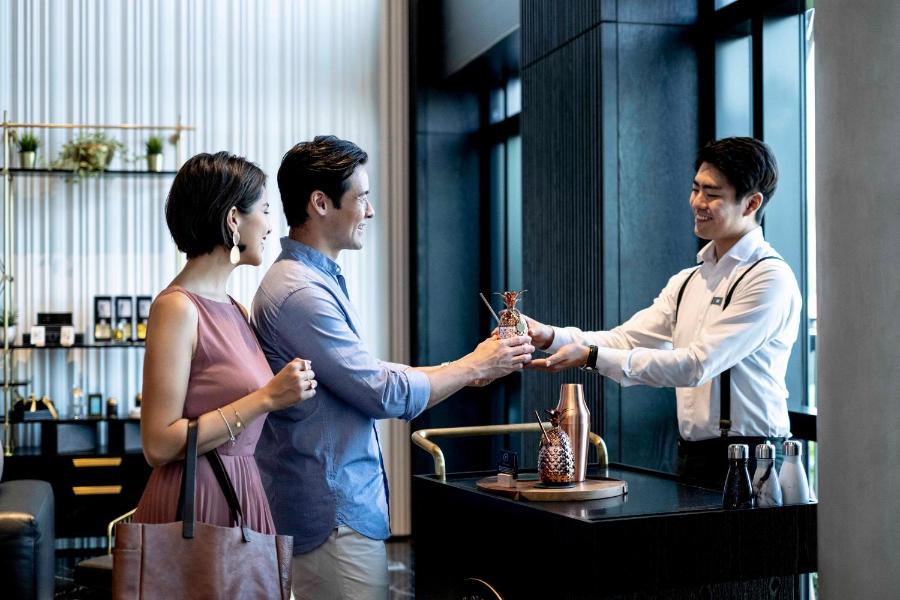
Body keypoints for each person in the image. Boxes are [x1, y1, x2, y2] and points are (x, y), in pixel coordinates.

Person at [251, 135, 533, 599]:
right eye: (361, 197)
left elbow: (365, 373)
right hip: (332, 516)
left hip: (335, 509)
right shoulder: (300, 292)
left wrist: (470, 368)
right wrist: (470, 366)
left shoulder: (311, 279)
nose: (371, 210)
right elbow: (379, 391)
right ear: (320, 203)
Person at [527, 137, 801, 486]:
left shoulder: (769, 277)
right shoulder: (689, 280)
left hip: (752, 457)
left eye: (712, 194)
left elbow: (697, 365)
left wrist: (591, 357)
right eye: (696, 189)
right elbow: (626, 338)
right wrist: (549, 336)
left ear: (752, 203)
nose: (697, 202)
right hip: (692, 454)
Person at [134, 152, 317, 535]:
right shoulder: (177, 309)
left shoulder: (236, 309)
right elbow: (158, 445)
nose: (270, 226)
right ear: (234, 219)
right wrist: (266, 398)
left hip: (242, 489)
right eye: (264, 210)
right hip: (196, 503)